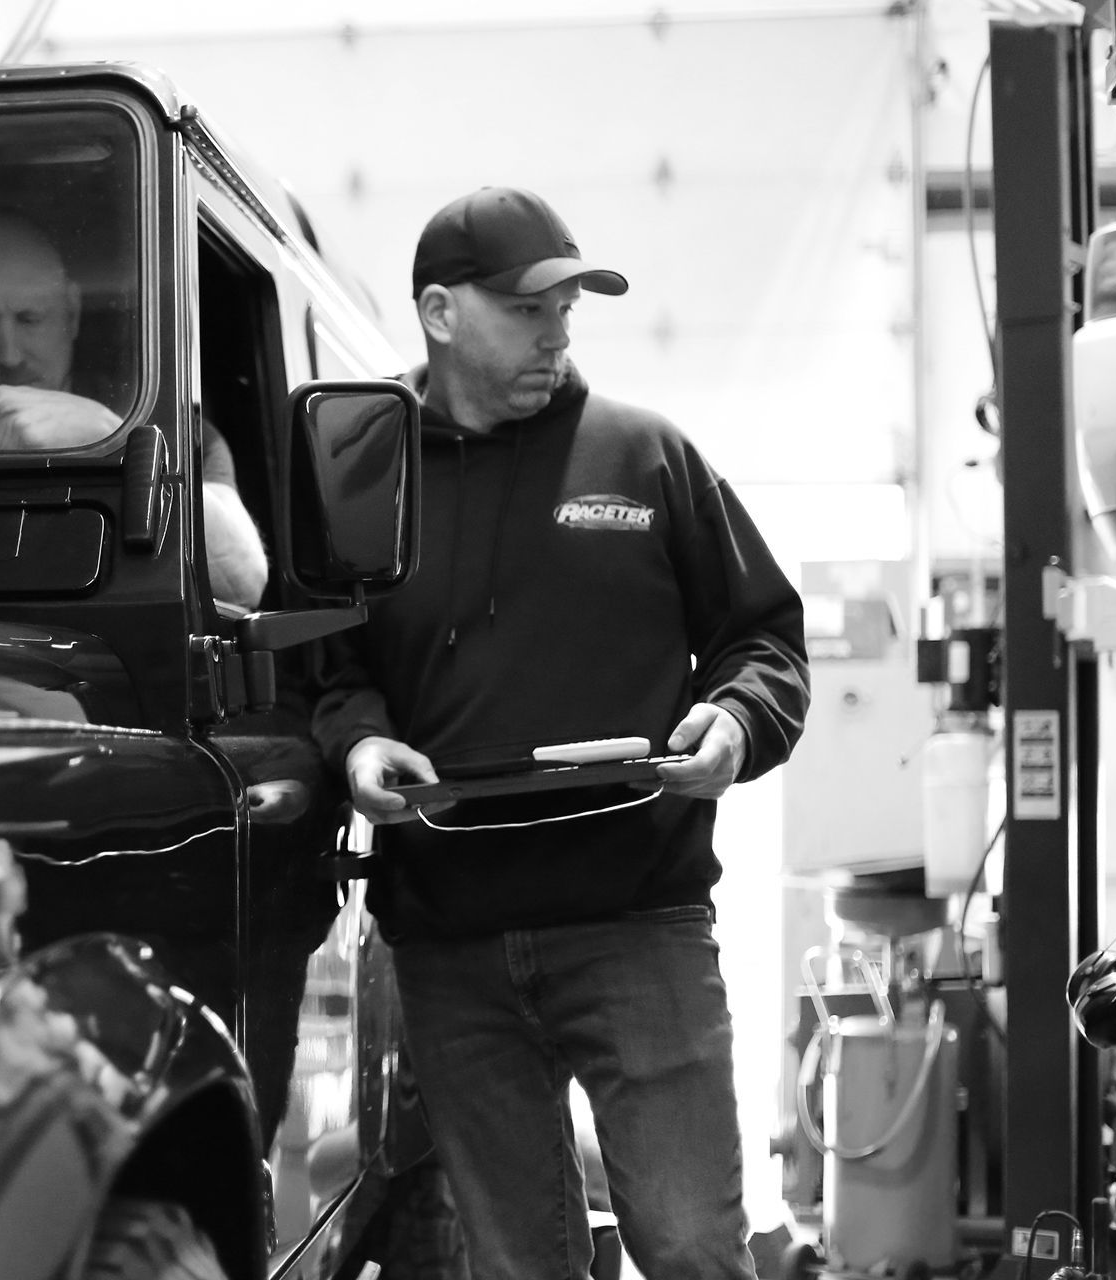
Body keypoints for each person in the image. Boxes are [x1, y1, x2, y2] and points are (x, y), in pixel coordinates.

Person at [312, 187, 810, 1279]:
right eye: (530, 309)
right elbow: (324, 661)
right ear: (440, 312)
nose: (561, 331)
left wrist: (732, 722)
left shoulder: (647, 456)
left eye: (570, 306)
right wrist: (358, 744)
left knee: (690, 1249)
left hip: (637, 925)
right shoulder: (360, 473)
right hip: (448, 947)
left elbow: (766, 639)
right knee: (521, 1264)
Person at [0, 211, 269, 610]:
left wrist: (113, 438)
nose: (9, 354)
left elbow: (243, 581)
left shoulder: (167, 434)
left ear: (72, 313)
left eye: (30, 318)